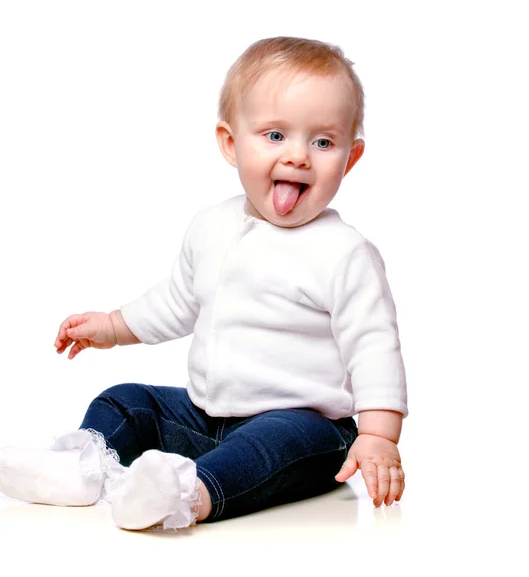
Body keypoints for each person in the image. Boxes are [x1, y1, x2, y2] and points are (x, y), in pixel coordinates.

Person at [0, 36, 408, 531]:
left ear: (350, 157)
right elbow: (177, 301)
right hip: (204, 416)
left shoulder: (345, 253)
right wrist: (113, 325)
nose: (298, 156)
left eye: (323, 142)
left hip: (306, 427)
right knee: (125, 400)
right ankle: (84, 469)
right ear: (231, 144)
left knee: (269, 445)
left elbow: (374, 345)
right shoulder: (211, 226)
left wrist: (379, 435)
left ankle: (184, 495)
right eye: (275, 135)